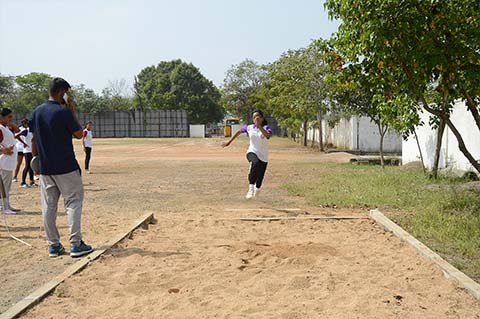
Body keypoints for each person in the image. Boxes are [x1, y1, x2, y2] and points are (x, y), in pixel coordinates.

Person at [29, 77, 93, 258]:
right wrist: (71, 111)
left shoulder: (36, 112)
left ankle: (53, 245)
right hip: (66, 166)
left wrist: (36, 162)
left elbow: (34, 140)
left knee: (49, 206)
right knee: (73, 202)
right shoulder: (62, 112)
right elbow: (79, 134)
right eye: (65, 93)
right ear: (60, 92)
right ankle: (76, 243)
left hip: (46, 167)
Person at [222, 110, 272, 199]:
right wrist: (228, 142)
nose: (256, 118)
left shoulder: (266, 127)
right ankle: (250, 188)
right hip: (252, 151)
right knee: (255, 163)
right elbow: (239, 132)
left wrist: (259, 126)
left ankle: (257, 189)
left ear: (262, 118)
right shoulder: (249, 128)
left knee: (259, 179)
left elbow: (267, 136)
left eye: (258, 116)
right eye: (254, 117)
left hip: (263, 156)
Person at [0, 108, 21, 214]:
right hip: (3, 161)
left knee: (7, 186)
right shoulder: (0, 128)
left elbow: (18, 130)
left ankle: (7, 204)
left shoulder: (5, 127)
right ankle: (3, 207)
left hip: (8, 161)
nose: (11, 119)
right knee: (2, 186)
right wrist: (4, 150)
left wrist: (10, 123)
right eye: (9, 117)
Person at [16, 122, 35, 187]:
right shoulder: (26, 130)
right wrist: (23, 143)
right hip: (27, 151)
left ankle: (32, 181)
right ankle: (23, 182)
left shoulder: (33, 130)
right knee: (27, 166)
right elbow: (16, 136)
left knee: (31, 167)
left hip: (32, 150)